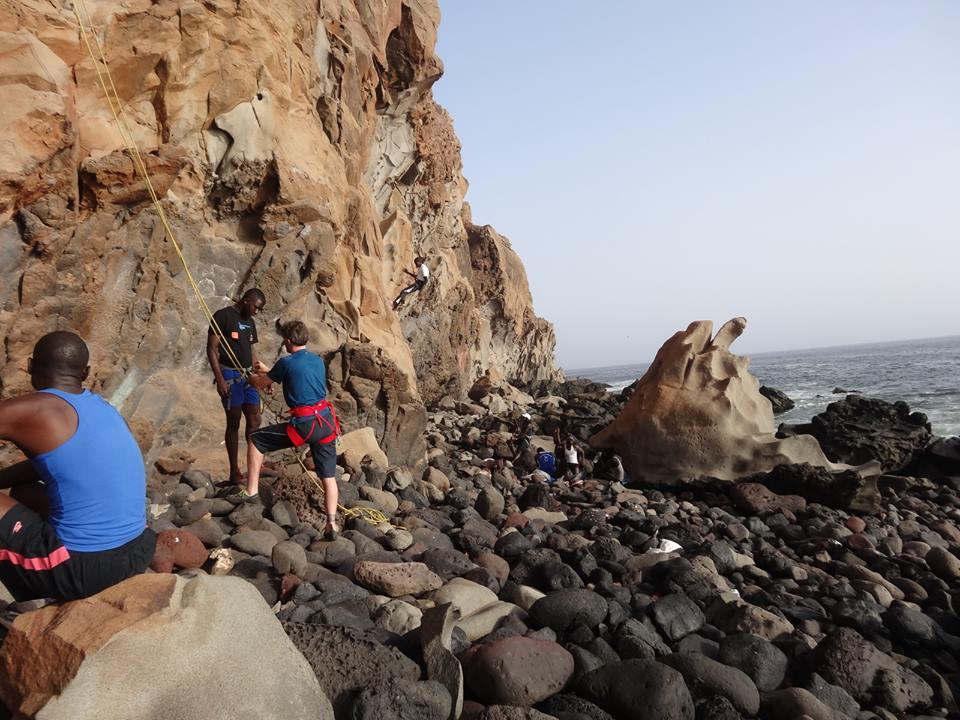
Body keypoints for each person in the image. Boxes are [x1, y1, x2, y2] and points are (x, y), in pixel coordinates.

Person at [0, 332, 155, 602]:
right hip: (138, 550)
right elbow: (54, 466)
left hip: (83, 569)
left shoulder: (32, 409)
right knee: (24, 493)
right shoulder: (106, 410)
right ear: (86, 373)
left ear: (30, 366)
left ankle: (39, 591)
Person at [244, 321, 340, 538]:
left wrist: (250, 378)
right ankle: (331, 523)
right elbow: (298, 374)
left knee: (256, 439)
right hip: (326, 422)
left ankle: (251, 491)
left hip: (305, 425)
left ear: (288, 341)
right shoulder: (317, 360)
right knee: (328, 477)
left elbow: (260, 383)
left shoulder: (286, 362)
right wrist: (270, 372)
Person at [207, 288, 265, 486]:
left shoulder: (250, 322)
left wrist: (260, 376)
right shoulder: (223, 316)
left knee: (255, 418)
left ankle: (255, 465)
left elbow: (251, 350)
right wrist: (220, 379)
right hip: (230, 375)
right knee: (234, 421)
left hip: (248, 376)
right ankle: (234, 472)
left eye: (259, 309)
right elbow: (211, 348)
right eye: (256, 307)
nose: (257, 311)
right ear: (246, 300)